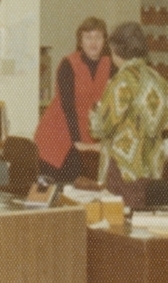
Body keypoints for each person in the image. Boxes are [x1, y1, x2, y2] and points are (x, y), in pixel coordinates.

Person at [89, 21, 168, 208]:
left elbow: (103, 127)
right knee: (141, 218)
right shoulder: (158, 79)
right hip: (151, 163)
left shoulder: (122, 80)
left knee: (117, 222)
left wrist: (96, 112)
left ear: (116, 50)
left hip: (125, 165)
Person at [34, 17, 115, 182]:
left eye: (98, 37)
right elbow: (68, 108)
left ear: (104, 40)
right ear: (80, 41)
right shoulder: (68, 64)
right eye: (88, 37)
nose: (93, 42)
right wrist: (78, 143)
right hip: (58, 134)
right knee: (59, 189)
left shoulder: (110, 65)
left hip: (87, 133)